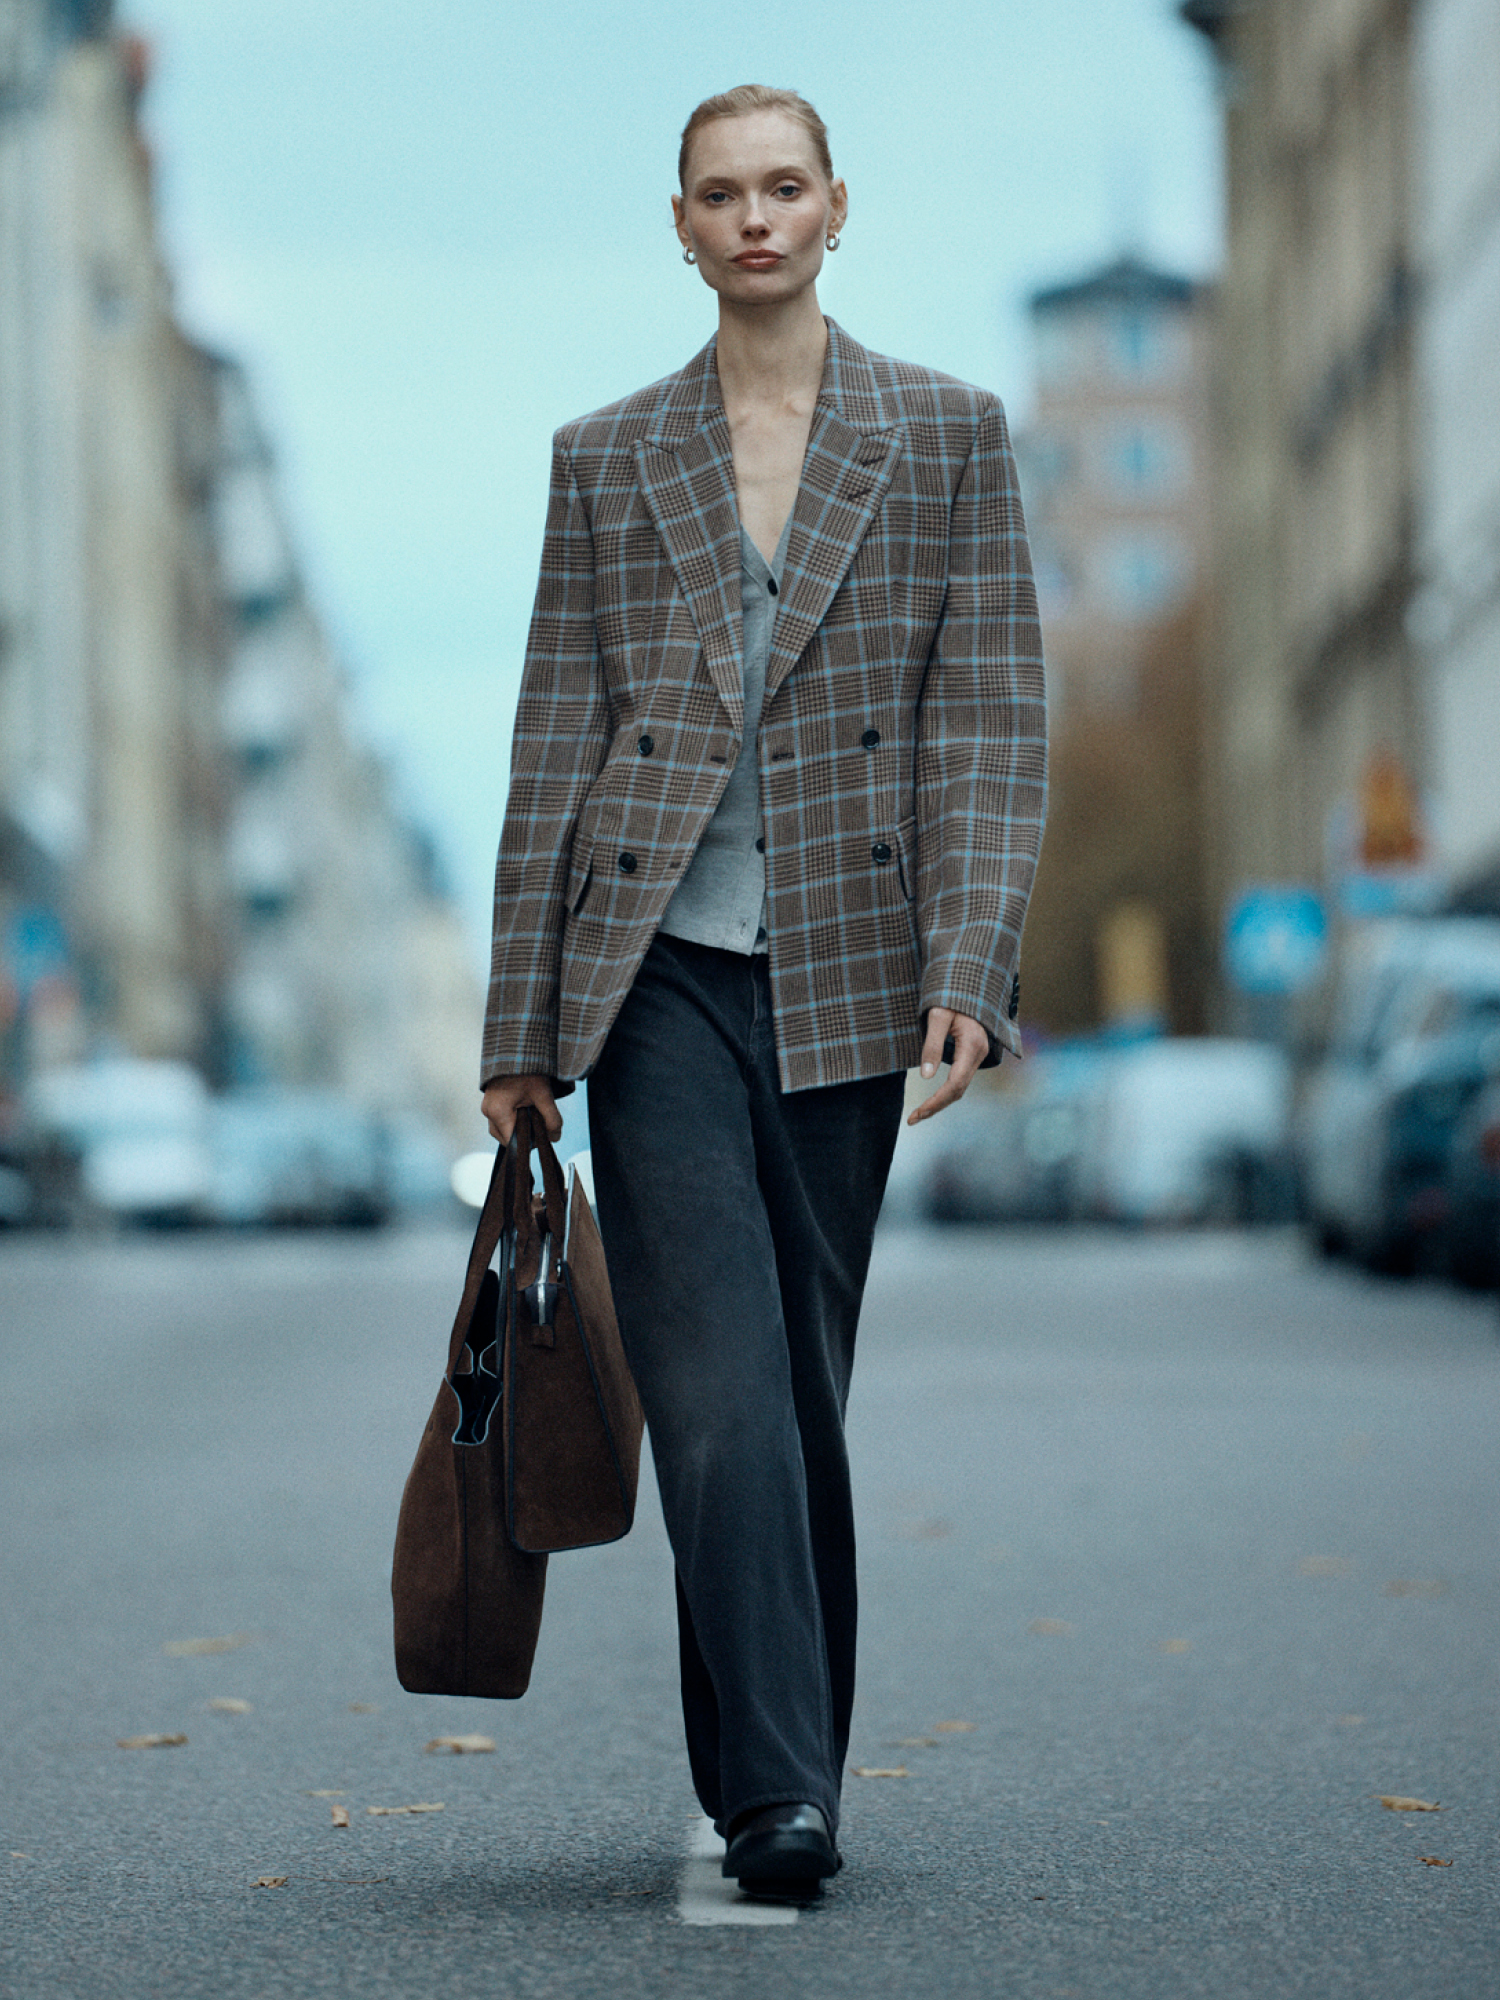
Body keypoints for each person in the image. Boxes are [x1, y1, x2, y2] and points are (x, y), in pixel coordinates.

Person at [480, 83, 1046, 1895]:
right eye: (719, 193)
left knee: (798, 1388)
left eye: (781, 188)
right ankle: (785, 1798)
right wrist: (521, 1024)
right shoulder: (604, 455)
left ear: (835, 207)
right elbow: (551, 736)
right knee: (715, 1391)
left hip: (852, 961)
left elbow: (989, 724)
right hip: (647, 972)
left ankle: (762, 1764)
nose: (753, 219)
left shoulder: (947, 437)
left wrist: (973, 959)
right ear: (681, 223)